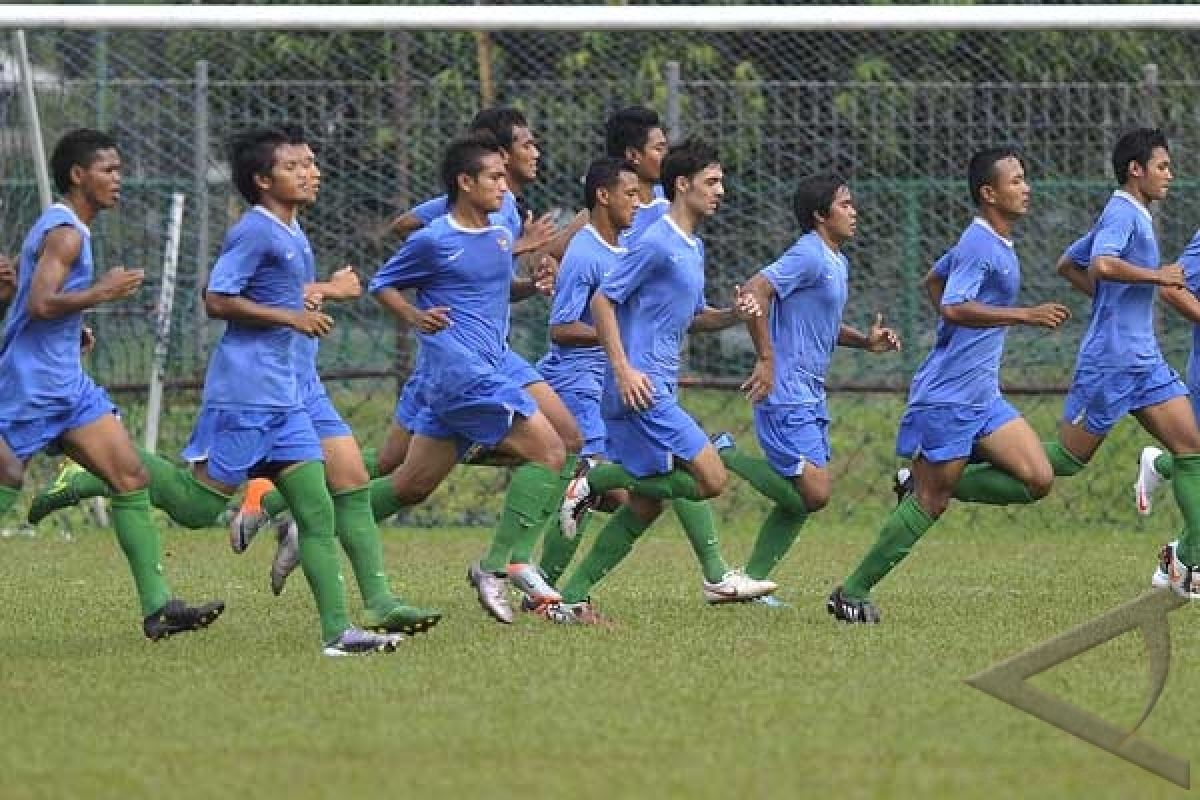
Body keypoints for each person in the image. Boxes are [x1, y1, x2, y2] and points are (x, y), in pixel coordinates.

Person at [828, 147, 1072, 624]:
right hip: (950, 395)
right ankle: (851, 593)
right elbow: (953, 305)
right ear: (989, 193)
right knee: (931, 504)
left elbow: (933, 281)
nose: (1027, 188)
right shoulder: (981, 244)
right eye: (1017, 180)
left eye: (1025, 178)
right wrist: (1022, 315)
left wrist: (958, 335)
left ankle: (926, 481)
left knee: (1038, 479)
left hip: (982, 395)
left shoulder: (990, 243)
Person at [0, 128, 224, 640]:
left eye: (120, 170)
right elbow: (38, 303)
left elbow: (39, 307)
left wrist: (70, 330)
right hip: (30, 387)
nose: (119, 180)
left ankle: (159, 607)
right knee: (7, 480)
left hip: (68, 387)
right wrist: (100, 292)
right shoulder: (66, 232)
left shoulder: (73, 227)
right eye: (110, 170)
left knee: (129, 477)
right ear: (79, 175)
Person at [187, 128, 400, 656]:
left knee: (318, 515)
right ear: (263, 180)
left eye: (312, 163)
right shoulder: (255, 231)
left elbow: (282, 293)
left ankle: (340, 633)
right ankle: (96, 471)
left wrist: (320, 293)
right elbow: (216, 298)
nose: (311, 172)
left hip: (285, 396)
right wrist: (289, 316)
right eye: (295, 165)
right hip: (246, 392)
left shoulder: (291, 230)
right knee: (193, 505)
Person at [548, 138, 776, 624]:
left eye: (721, 182)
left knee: (648, 503)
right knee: (711, 478)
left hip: (656, 385)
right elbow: (603, 302)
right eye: (712, 182)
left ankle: (573, 598)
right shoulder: (655, 242)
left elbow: (695, 317)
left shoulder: (692, 247)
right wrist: (624, 369)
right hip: (640, 388)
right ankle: (596, 480)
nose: (721, 191)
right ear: (682, 184)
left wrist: (736, 313)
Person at [368, 133, 578, 624]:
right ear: (465, 182)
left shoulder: (501, 235)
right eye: (495, 177)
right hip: (462, 372)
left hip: (488, 364)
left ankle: (308, 522)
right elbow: (382, 284)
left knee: (411, 484)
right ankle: (498, 567)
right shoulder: (434, 237)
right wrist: (414, 316)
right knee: (550, 451)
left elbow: (492, 292)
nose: (505, 186)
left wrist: (530, 282)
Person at [715, 174, 901, 606]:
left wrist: (865, 342)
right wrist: (766, 359)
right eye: (846, 204)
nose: (854, 212)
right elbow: (753, 292)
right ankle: (723, 453)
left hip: (810, 391)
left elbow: (825, 327)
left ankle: (752, 583)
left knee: (801, 498)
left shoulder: (836, 261)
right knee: (815, 493)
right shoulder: (809, 254)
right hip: (785, 389)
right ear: (821, 215)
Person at [1051, 130, 1200, 598]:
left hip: (1144, 359)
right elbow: (1101, 263)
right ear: (1136, 169)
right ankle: (942, 472)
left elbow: (1068, 264)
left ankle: (1186, 566)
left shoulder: (1133, 213)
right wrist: (1155, 277)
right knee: (1063, 462)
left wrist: (1112, 300)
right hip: (1113, 361)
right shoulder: (1121, 210)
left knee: (1193, 451)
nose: (1169, 175)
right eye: (1162, 166)